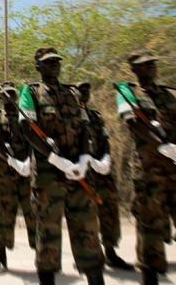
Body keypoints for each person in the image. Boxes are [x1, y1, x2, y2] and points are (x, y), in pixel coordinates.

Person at [117, 50, 176, 285]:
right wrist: (164, 146)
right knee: (150, 225)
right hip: (150, 171)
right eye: (143, 65)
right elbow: (134, 124)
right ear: (134, 69)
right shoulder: (129, 94)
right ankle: (150, 274)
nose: (150, 67)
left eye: (152, 64)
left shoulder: (172, 93)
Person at [19, 47, 105, 285]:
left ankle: (95, 279)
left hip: (79, 171)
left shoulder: (73, 93)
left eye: (56, 61)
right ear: (38, 66)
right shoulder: (31, 92)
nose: (54, 65)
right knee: (48, 232)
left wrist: (84, 158)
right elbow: (28, 129)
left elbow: (85, 127)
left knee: (87, 229)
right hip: (48, 173)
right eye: (48, 62)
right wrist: (55, 159)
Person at [75, 81, 134, 271]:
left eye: (87, 90)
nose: (85, 94)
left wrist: (106, 159)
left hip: (102, 173)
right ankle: (86, 255)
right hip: (83, 173)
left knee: (109, 212)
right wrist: (88, 160)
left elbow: (105, 138)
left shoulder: (95, 116)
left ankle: (110, 251)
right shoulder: (72, 116)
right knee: (84, 216)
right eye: (81, 91)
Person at [0, 82, 37, 274]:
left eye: (12, 94)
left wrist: (28, 163)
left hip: (27, 176)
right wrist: (10, 160)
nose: (9, 97)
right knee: (3, 216)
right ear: (0, 97)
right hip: (5, 177)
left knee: (34, 215)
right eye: (5, 94)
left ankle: (41, 257)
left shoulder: (24, 116)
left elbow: (34, 140)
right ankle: (2, 258)